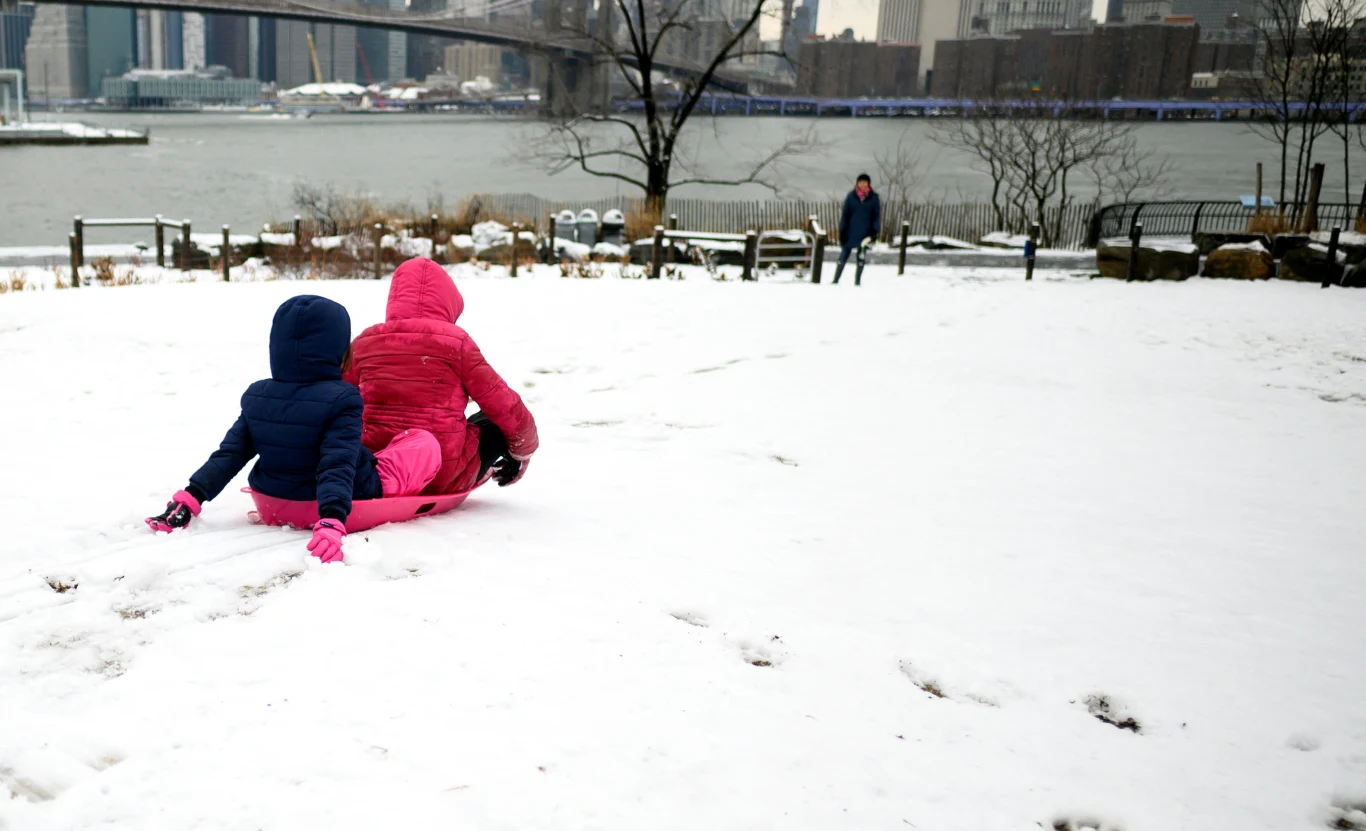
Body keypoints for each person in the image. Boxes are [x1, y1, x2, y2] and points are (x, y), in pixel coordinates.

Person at [145, 296, 442, 564]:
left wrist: (190, 497)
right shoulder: (343, 398)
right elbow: (335, 464)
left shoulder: (258, 395)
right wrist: (331, 520)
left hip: (271, 500)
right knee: (422, 442)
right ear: (338, 350)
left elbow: (230, 454)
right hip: (327, 505)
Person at [344, 258, 538, 496]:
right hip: (443, 475)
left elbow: (339, 396)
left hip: (379, 466)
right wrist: (522, 452)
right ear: (448, 301)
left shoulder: (366, 341)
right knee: (496, 420)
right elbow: (504, 404)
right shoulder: (456, 343)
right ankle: (502, 468)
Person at [835, 173, 881, 286]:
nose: (862, 184)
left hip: (864, 233)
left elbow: (876, 216)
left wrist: (874, 231)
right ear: (857, 183)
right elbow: (845, 215)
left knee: (861, 258)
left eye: (865, 182)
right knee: (843, 257)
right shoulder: (851, 197)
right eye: (860, 182)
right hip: (850, 232)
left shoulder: (874, 198)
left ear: (868, 184)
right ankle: (836, 279)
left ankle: (857, 281)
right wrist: (842, 231)